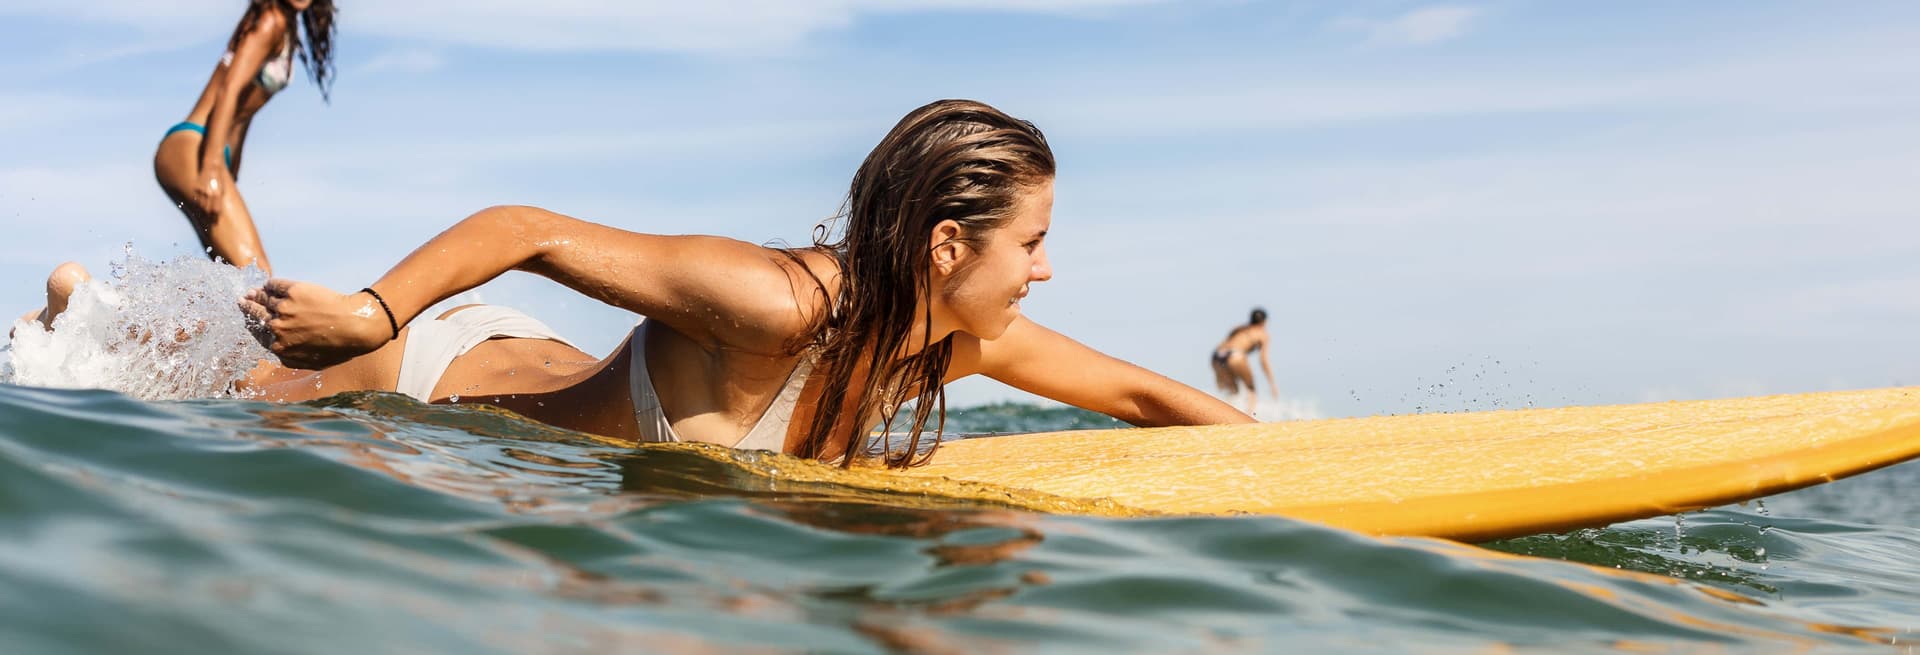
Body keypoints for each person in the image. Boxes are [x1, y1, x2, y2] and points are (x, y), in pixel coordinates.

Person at [224, 100, 1251, 467]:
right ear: (948, 248)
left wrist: (1301, 476)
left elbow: (1142, 397)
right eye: (1032, 242)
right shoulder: (776, 304)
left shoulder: (950, 342)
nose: (1044, 268)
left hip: (542, 371)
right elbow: (525, 229)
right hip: (421, 370)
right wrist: (372, 310)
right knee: (201, 398)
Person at [153, 0, 337, 274]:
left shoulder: (283, 25)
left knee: (231, 278)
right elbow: (229, 90)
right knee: (257, 275)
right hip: (196, 146)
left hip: (211, 152)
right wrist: (212, 168)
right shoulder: (270, 21)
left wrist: (229, 168)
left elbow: (245, 114)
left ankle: (156, 312)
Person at [1210, 307, 1277, 414]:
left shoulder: (1238, 328)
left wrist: (1217, 374)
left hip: (1217, 356)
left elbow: (1224, 345)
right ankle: (1249, 417)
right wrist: (1272, 384)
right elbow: (1263, 360)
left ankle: (1219, 413)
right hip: (1235, 355)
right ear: (1264, 322)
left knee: (1233, 390)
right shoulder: (1262, 334)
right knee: (1251, 390)